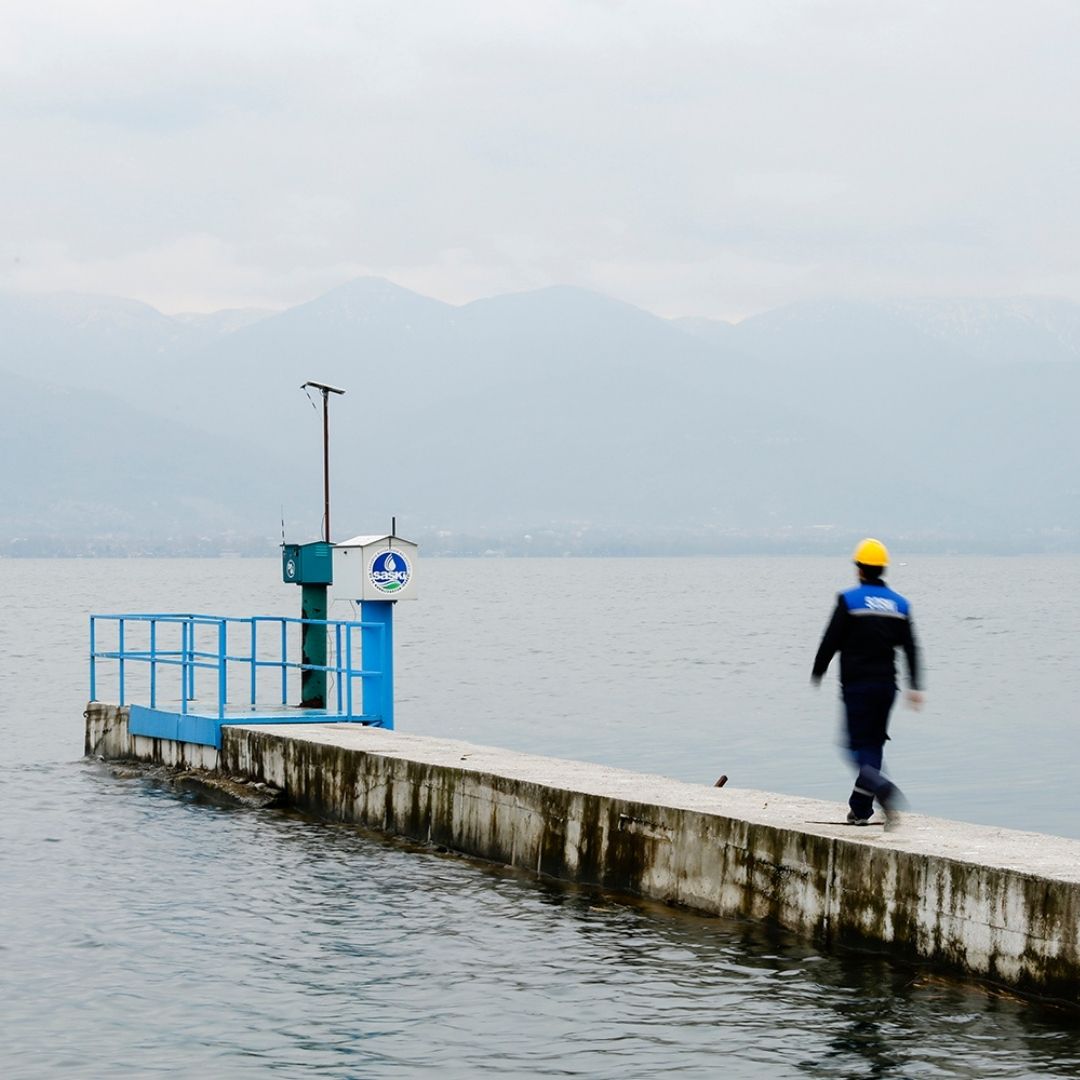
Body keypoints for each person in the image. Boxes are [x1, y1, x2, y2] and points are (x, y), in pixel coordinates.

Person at [811, 538, 923, 828]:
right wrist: (916, 685)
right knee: (873, 746)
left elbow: (831, 639)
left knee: (853, 748)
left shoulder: (849, 601)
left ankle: (882, 787)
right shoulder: (899, 605)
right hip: (887, 688)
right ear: (882, 569)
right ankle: (860, 810)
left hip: (857, 687)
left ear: (860, 569)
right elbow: (911, 647)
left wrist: (818, 670)